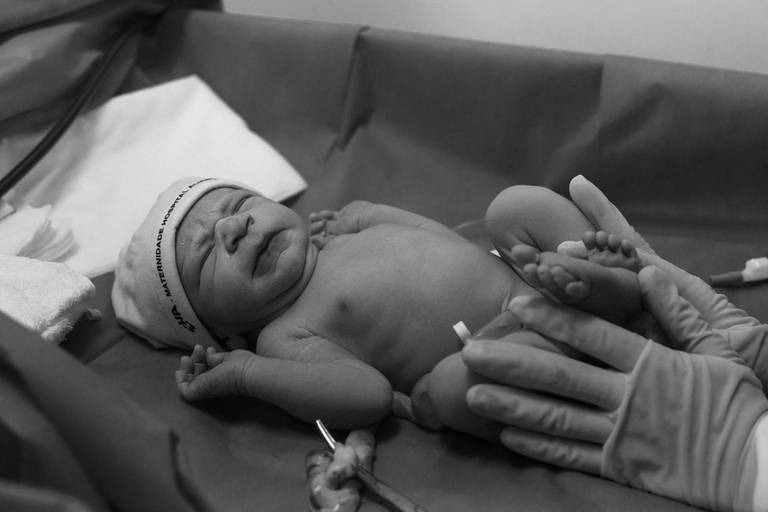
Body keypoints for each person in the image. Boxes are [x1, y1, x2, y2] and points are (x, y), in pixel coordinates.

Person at [112, 176, 647, 435]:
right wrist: (249, 374)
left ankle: (602, 282)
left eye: (239, 203)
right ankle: (587, 313)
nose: (234, 227)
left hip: (525, 277)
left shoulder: (346, 232)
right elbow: (365, 395)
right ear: (217, 329)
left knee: (513, 207)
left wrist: (371, 214)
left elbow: (442, 240)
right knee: (450, 389)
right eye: (208, 254)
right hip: (501, 346)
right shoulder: (284, 336)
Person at [461, 175, 768, 512]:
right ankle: (625, 300)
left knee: (453, 386)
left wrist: (749, 463)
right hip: (666, 335)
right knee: (519, 207)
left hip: (561, 357)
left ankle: (616, 302)